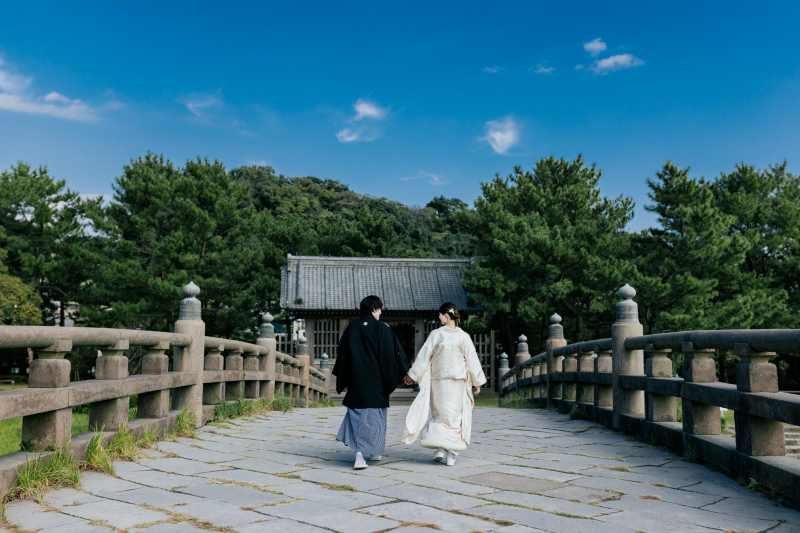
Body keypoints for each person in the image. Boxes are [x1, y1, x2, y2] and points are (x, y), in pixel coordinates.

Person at [402, 302, 486, 466]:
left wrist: (413, 374)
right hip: (456, 381)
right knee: (452, 416)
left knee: (440, 414)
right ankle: (449, 452)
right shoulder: (463, 336)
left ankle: (444, 449)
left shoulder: (437, 334)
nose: (439, 318)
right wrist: (477, 381)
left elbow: (424, 356)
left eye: (440, 315)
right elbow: (472, 360)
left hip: (440, 381)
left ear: (446, 315)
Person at [333, 295, 410, 469]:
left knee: (358, 416)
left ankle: (360, 453)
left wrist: (343, 379)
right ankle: (369, 453)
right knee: (376, 417)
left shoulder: (351, 328)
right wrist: (405, 372)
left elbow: (343, 356)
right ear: (375, 309)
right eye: (380, 309)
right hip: (377, 383)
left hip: (356, 382)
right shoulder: (383, 329)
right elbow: (394, 354)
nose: (380, 313)